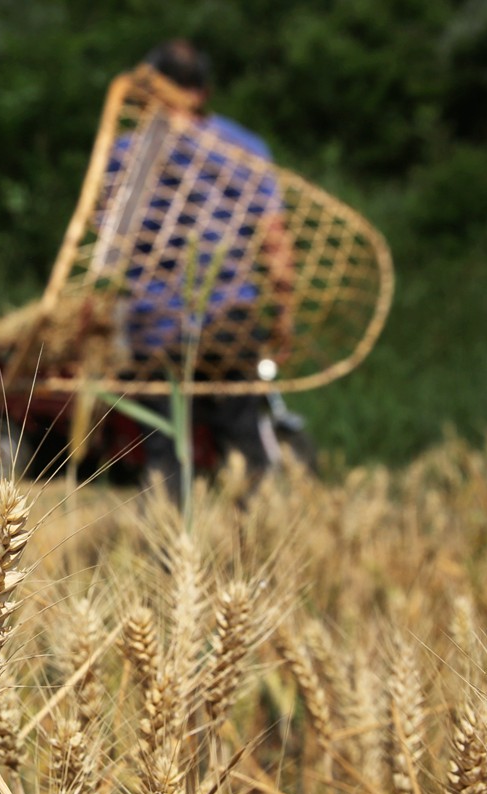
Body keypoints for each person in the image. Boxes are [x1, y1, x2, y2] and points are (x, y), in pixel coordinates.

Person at [114, 39, 296, 494]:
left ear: (152, 86)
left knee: (164, 449)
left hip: (153, 323)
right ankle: (259, 545)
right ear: (204, 89)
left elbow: (110, 236)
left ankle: (166, 556)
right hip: (229, 318)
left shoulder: (125, 152)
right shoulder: (245, 148)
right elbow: (276, 249)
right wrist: (284, 320)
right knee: (243, 437)